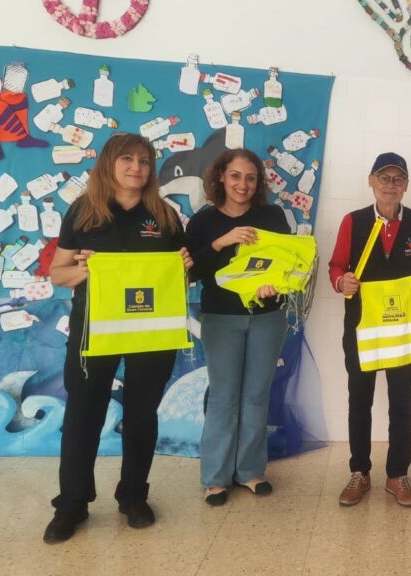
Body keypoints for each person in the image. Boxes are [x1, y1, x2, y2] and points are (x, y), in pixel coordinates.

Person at [44, 133, 193, 544]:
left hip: (151, 331)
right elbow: (58, 273)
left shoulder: (164, 216)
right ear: (109, 163)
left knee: (142, 415)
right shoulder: (83, 212)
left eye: (144, 161)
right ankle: (72, 504)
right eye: (127, 159)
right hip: (95, 329)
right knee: (83, 416)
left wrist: (184, 268)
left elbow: (180, 279)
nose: (136, 167)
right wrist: (86, 271)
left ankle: (133, 496)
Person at [328, 152, 411, 508]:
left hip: (403, 332)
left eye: (398, 179)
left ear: (406, 185)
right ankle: (359, 472)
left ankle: (397, 474)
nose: (391, 185)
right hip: (362, 328)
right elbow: (336, 267)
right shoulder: (353, 221)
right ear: (371, 181)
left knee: (402, 404)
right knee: (359, 401)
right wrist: (341, 281)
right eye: (384, 178)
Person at [186, 149, 292, 506]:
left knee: (256, 395)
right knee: (224, 397)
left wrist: (275, 284)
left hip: (267, 316)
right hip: (221, 318)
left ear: (258, 182)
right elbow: (190, 272)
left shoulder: (272, 216)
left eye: (250, 177)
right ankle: (216, 477)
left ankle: (249, 471)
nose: (242, 184)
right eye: (235, 176)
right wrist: (222, 241)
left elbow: (285, 262)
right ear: (221, 176)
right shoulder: (203, 222)